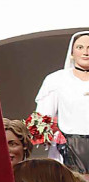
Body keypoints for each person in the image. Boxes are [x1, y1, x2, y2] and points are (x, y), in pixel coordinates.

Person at [36, 32, 89, 174]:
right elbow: (42, 116)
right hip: (69, 145)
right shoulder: (57, 80)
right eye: (80, 47)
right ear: (72, 52)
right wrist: (42, 133)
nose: (85, 52)